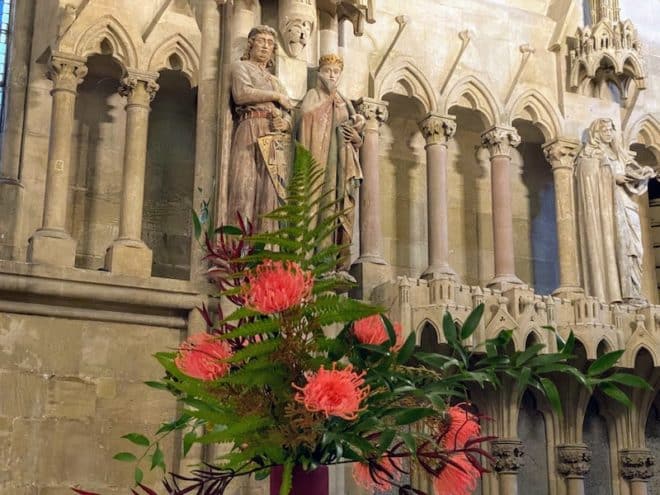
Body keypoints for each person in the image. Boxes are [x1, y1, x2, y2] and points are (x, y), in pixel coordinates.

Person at [576, 118, 656, 305]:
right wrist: (612, 177)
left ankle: (634, 290)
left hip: (627, 204)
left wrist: (641, 174)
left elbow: (629, 174)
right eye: (605, 130)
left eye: (611, 130)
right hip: (609, 210)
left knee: (635, 248)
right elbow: (588, 178)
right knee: (623, 246)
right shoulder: (591, 154)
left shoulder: (618, 154)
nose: (609, 133)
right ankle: (624, 293)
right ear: (596, 133)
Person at [297, 54, 364, 270]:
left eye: (336, 72)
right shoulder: (313, 94)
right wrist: (328, 99)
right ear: (319, 73)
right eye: (328, 71)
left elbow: (355, 135)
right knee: (319, 205)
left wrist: (357, 138)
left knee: (339, 208)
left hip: (343, 166)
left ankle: (334, 264)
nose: (332, 75)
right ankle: (313, 262)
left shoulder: (345, 102)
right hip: (321, 163)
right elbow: (305, 119)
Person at [227, 25, 293, 232]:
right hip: (250, 127)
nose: (266, 46)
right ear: (251, 43)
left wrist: (285, 122)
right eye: (262, 41)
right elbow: (241, 94)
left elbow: (289, 111)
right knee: (243, 186)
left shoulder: (275, 81)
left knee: (271, 192)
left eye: (270, 43)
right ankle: (237, 250)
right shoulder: (241, 67)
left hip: (273, 134)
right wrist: (275, 97)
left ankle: (265, 252)